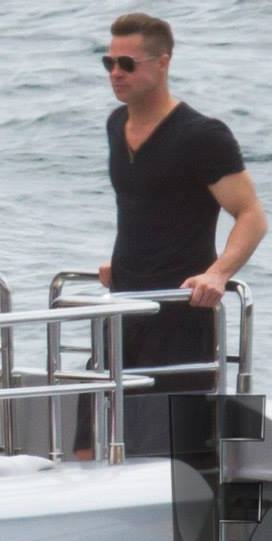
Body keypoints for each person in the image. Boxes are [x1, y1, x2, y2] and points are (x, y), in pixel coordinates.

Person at [76, 13, 267, 457]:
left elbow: (252, 215)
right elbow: (145, 209)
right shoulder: (116, 124)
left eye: (127, 63)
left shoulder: (202, 136)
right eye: (109, 63)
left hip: (181, 313)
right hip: (123, 306)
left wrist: (218, 273)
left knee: (168, 452)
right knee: (90, 443)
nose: (116, 73)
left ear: (162, 63)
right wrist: (119, 263)